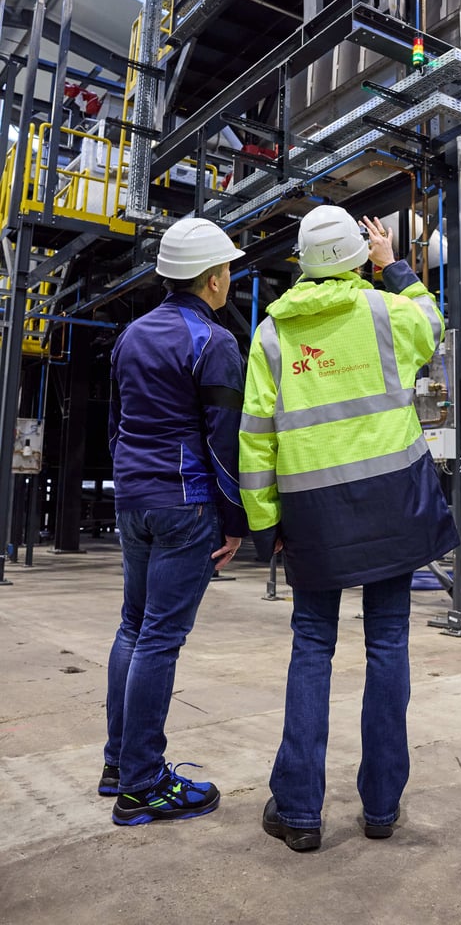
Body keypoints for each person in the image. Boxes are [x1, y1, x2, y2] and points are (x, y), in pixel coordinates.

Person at [239, 206, 459, 852]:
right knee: (387, 644)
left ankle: (301, 812)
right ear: (359, 256)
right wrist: (394, 265)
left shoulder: (273, 334)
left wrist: (265, 523)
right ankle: (382, 807)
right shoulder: (388, 313)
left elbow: (255, 437)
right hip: (392, 500)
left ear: (302, 263)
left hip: (312, 509)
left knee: (313, 647)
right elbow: (433, 320)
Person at [101, 217, 249, 826]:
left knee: (133, 627)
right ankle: (142, 783)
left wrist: (133, 482)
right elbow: (223, 441)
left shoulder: (130, 335)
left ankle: (118, 763)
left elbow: (117, 423)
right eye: (228, 270)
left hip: (133, 497)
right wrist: (236, 519)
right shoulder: (212, 344)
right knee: (160, 636)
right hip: (184, 502)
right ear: (214, 278)